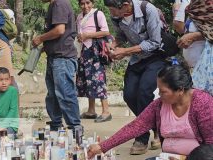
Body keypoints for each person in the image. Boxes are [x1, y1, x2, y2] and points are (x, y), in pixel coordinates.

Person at [87, 57, 213, 159]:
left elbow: (210, 146)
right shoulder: (159, 105)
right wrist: (103, 147)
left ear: (180, 90)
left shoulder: (202, 103)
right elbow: (136, 126)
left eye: (163, 91)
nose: (158, 94)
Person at [103, 0, 166, 154]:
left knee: (144, 92)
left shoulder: (148, 10)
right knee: (129, 95)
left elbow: (155, 42)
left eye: (113, 9)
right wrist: (114, 45)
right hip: (137, 59)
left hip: (155, 57)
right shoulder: (117, 16)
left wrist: (124, 52)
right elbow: (121, 35)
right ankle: (156, 127)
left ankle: (142, 137)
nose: (111, 13)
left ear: (125, 5)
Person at [32, 0, 81, 131]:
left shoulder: (60, 3)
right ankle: (56, 125)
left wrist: (40, 38)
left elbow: (59, 30)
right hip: (55, 56)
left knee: (65, 94)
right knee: (53, 94)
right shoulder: (54, 5)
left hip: (63, 58)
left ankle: (74, 128)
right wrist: (46, 46)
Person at [76, 0, 112, 123]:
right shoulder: (79, 17)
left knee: (98, 79)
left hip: (95, 51)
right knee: (87, 79)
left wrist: (88, 35)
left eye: (88, 3)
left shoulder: (98, 14)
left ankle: (106, 111)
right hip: (84, 51)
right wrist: (80, 37)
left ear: (93, 3)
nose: (85, 6)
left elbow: (106, 31)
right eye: (82, 3)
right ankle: (91, 110)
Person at [181, 0, 213, 96]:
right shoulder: (193, 7)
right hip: (195, 70)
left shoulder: (209, 7)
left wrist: (195, 36)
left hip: (208, 71)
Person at [172, 0, 205, 68]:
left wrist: (194, 36)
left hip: (205, 65)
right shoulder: (189, 3)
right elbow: (180, 28)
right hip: (194, 65)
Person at [0, 67, 19, 134]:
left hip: (11, 124)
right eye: (0, 80)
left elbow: (12, 111)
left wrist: (2, 126)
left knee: (4, 137)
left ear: (10, 80)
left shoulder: (13, 91)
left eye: (6, 79)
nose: (4, 83)